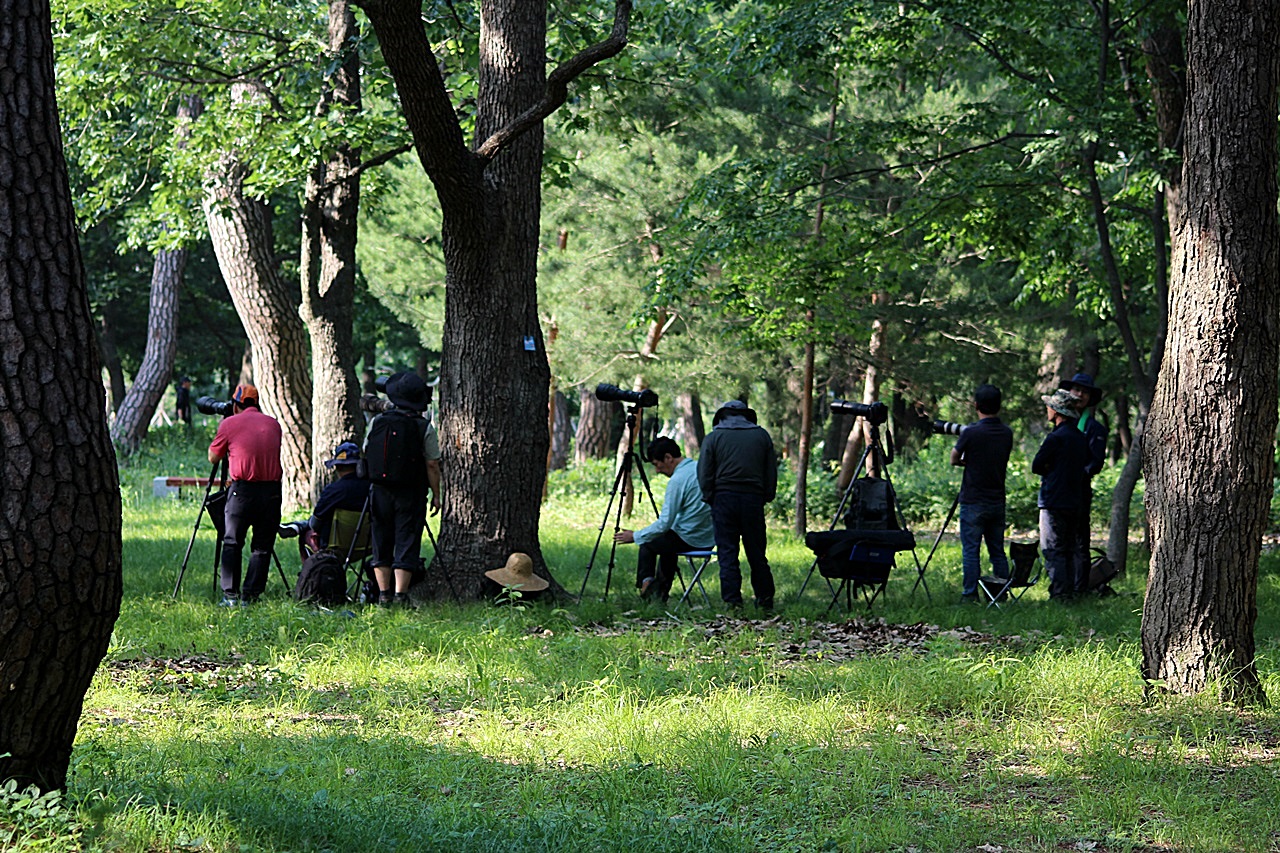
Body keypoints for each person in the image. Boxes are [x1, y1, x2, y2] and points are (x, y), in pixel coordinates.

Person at [364, 371, 441, 606]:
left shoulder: (378, 422)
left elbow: (367, 451)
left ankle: (384, 595)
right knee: (407, 540)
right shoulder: (423, 427)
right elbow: (432, 463)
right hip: (411, 491)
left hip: (379, 490)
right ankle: (401, 595)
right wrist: (437, 494)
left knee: (381, 541)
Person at [614, 437, 715, 604]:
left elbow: (664, 522)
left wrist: (636, 536)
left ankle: (647, 586)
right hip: (708, 537)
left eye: (657, 464)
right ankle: (659, 594)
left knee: (648, 542)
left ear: (668, 458)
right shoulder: (700, 468)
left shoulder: (678, 480)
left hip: (690, 538)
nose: (658, 470)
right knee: (667, 546)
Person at [698, 400, 778, 610]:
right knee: (756, 552)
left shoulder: (713, 437)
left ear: (722, 416)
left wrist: (709, 496)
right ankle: (765, 598)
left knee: (727, 552)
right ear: (747, 415)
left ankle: (732, 601)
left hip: (723, 499)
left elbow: (704, 472)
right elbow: (770, 471)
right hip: (752, 499)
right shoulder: (761, 436)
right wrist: (766, 495)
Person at [207, 384, 282, 605]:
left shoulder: (229, 423)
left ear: (236, 404)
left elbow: (213, 457)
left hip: (243, 491)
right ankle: (251, 595)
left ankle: (230, 595)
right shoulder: (274, 424)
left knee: (232, 541)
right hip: (272, 492)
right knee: (262, 546)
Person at [950, 383, 1014, 603]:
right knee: (997, 550)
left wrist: (969, 461)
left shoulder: (971, 432)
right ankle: (1000, 594)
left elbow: (953, 458)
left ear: (976, 405)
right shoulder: (1006, 433)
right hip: (997, 500)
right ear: (999, 406)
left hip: (973, 500)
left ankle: (970, 594)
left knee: (971, 551)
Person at [1032, 389, 1091, 600]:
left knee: (1053, 548)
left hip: (1053, 499)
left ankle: (1059, 593)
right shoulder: (1080, 438)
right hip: (1074, 499)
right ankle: (1073, 591)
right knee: (1070, 547)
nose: (1046, 410)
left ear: (1057, 411)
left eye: (1049, 406)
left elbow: (1037, 465)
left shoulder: (1055, 438)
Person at [279, 441, 371, 562]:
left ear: (337, 467)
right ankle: (300, 525)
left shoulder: (333, 491)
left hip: (336, 547)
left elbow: (315, 524)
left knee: (308, 531)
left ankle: (311, 574)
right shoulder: (372, 488)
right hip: (369, 546)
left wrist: (310, 525)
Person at [1060, 372, 1108, 588]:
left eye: (1084, 392)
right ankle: (1063, 585)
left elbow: (1096, 462)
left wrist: (1077, 474)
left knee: (1080, 540)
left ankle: (1080, 589)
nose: (1079, 395)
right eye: (1076, 390)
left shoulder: (1094, 428)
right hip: (1059, 490)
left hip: (1079, 491)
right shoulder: (1060, 424)